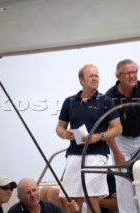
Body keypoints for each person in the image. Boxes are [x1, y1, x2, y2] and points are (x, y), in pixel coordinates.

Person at [55, 64, 122, 213]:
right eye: (91, 76)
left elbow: (118, 128)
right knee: (73, 199)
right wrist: (65, 134)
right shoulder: (69, 102)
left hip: (96, 155)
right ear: (81, 80)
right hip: (73, 154)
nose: (95, 78)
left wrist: (98, 137)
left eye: (96, 75)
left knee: (90, 197)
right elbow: (59, 128)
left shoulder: (106, 101)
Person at [105, 59, 140, 213]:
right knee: (122, 179)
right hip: (120, 140)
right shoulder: (109, 97)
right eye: (128, 73)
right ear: (119, 76)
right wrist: (117, 154)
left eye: (135, 72)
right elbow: (108, 129)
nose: (133, 76)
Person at [7, 178, 78, 213]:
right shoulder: (14, 211)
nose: (33, 194)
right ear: (20, 198)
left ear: (38, 190)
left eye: (34, 190)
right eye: (28, 192)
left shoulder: (53, 208)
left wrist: (73, 212)